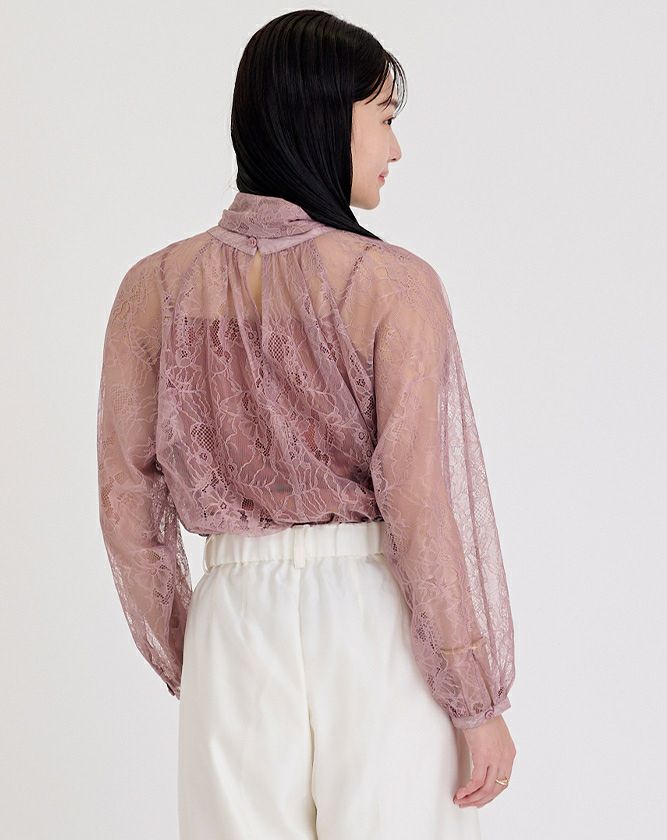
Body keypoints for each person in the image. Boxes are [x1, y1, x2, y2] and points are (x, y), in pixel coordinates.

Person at [96, 9, 516, 839]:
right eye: (384, 118)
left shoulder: (154, 288)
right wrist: (477, 699)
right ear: (325, 117)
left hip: (231, 616)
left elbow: (126, 501)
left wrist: (193, 650)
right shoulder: (392, 285)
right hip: (374, 617)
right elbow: (424, 507)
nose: (396, 148)